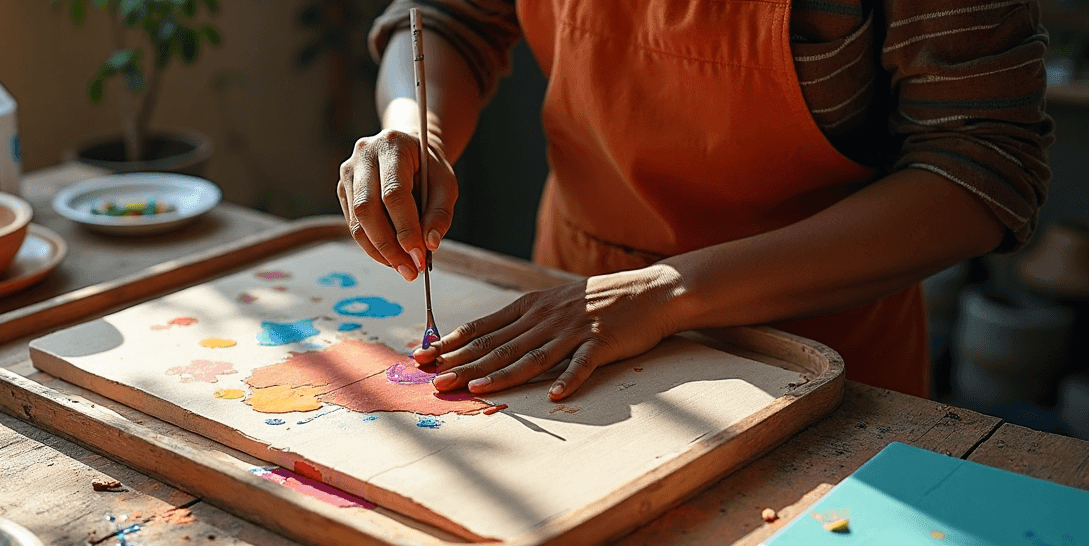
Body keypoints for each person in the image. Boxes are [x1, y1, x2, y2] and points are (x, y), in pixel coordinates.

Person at [337, 0, 1052, 401]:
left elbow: (980, 168)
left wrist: (669, 291)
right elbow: (446, 18)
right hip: (566, 309)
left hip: (814, 354)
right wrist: (413, 129)